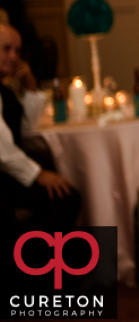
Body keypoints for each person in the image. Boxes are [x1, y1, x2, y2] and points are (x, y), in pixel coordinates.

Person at [0, 23, 81, 243]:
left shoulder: (5, 91)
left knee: (66, 194)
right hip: (4, 176)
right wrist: (38, 174)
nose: (14, 56)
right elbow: (2, 147)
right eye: (6, 49)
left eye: (17, 51)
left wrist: (31, 86)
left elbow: (27, 131)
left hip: (11, 172)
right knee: (65, 198)